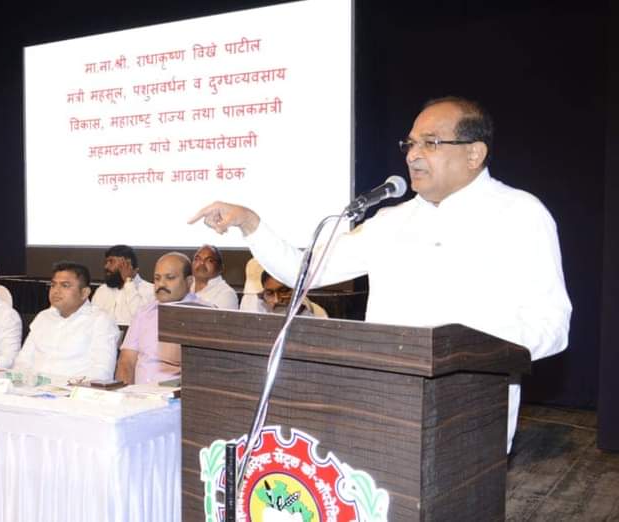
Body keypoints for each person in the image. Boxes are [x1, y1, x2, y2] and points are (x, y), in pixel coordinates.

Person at [189, 96, 571, 452]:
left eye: (430, 143)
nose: (413, 155)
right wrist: (249, 223)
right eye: (410, 144)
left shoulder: (519, 215)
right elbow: (302, 272)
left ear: (474, 153)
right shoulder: (390, 221)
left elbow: (552, 326)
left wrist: (466, 348)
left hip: (469, 415)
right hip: (380, 408)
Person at [12, 261, 119, 381]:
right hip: (31, 388)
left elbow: (102, 372)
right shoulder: (43, 317)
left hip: (72, 390)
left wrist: (62, 387)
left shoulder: (100, 321)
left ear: (84, 293)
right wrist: (22, 382)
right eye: (53, 285)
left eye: (65, 285)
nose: (56, 291)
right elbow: (22, 362)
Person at [115, 252, 208, 385]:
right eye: (157, 278)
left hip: (176, 395)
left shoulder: (205, 315)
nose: (161, 284)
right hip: (138, 394)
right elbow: (126, 362)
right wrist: (125, 394)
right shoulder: (143, 313)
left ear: (189, 282)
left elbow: (204, 373)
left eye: (170, 278)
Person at [90, 244, 155, 326]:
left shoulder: (150, 290)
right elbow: (92, 321)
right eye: (106, 262)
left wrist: (128, 283)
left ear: (127, 264)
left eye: (111, 261)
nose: (106, 266)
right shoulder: (102, 290)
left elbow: (143, 320)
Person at [241, 271, 328, 317]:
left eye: (283, 291)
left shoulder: (318, 314)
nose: (277, 300)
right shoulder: (255, 311)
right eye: (269, 293)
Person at [190, 244, 239, 310]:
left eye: (209, 260)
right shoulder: (185, 285)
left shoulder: (227, 294)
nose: (202, 263)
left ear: (220, 267)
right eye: (197, 259)